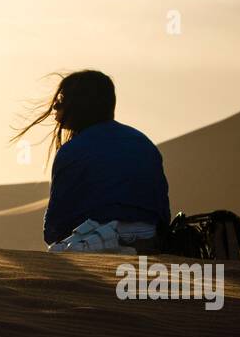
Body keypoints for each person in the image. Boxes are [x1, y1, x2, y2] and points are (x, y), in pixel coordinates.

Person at [16, 70, 170, 251]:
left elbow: (54, 228)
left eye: (61, 100)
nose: (55, 108)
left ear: (79, 105)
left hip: (99, 240)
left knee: (55, 255)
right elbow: (162, 214)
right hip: (150, 238)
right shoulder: (144, 143)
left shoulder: (72, 151)